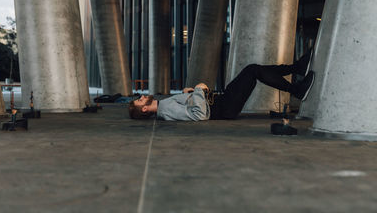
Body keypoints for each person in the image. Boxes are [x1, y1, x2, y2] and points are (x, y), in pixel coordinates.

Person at [129, 51, 314, 121]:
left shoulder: (164, 105)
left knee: (253, 70)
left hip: (222, 100)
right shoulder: (165, 109)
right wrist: (199, 90)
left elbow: (192, 106)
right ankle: (296, 87)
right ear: (145, 109)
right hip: (225, 108)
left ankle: (296, 69)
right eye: (140, 101)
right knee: (252, 70)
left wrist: (190, 93)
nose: (142, 96)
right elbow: (199, 115)